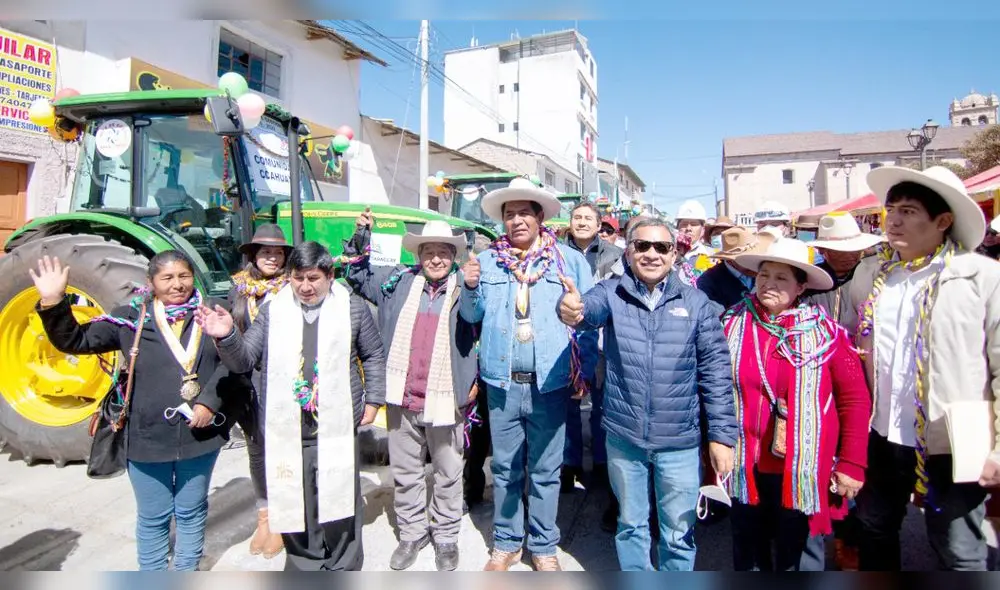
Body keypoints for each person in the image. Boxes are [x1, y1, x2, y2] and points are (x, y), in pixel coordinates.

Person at [32, 251, 244, 571]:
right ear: (151, 283)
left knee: (190, 510)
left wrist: (208, 403)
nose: (177, 285)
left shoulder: (215, 312)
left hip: (201, 435)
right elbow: (76, 340)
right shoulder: (130, 318)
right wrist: (52, 302)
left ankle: (187, 569)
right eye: (167, 278)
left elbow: (232, 366)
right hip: (147, 439)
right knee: (154, 515)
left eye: (183, 276)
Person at [558, 217, 737, 571]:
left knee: (677, 534)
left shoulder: (697, 303)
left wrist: (721, 436)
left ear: (674, 254)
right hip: (625, 440)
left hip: (680, 443)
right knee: (631, 526)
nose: (652, 254)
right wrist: (572, 310)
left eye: (661, 247)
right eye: (643, 246)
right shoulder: (611, 292)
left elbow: (716, 373)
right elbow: (586, 310)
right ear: (629, 252)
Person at [197, 241, 386, 571]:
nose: (305, 287)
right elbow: (245, 359)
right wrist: (227, 336)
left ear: (329, 275)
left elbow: (372, 355)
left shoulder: (352, 308)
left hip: (336, 426)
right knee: (295, 502)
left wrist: (373, 400)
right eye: (298, 278)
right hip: (290, 429)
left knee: (340, 502)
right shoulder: (274, 311)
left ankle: (342, 563)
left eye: (313, 278)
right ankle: (305, 564)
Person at [849, 166, 1000, 571]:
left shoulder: (981, 277)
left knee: (957, 547)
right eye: (891, 209)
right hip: (882, 434)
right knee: (874, 527)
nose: (894, 220)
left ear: (943, 221)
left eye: (909, 210)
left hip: (951, 437)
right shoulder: (875, 276)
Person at [459, 176, 597, 571]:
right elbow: (471, 317)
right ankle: (506, 542)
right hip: (501, 384)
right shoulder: (484, 263)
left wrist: (581, 376)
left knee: (545, 469)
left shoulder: (569, 261)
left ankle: (543, 544)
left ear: (540, 218)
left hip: (550, 384)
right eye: (509, 214)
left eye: (524, 212)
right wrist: (469, 287)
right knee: (504, 468)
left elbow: (586, 321)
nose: (516, 220)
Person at [721, 237, 872, 571]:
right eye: (764, 275)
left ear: (801, 286)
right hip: (745, 461)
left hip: (802, 467)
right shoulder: (731, 324)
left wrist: (852, 463)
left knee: (801, 552)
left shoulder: (827, 335)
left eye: (781, 278)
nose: (768, 284)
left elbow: (855, 401)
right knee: (748, 547)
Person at [343, 213, 479, 571]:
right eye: (428, 251)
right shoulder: (397, 283)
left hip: (447, 398)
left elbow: (480, 327)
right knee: (406, 473)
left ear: (454, 256)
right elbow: (356, 274)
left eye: (444, 252)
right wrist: (361, 234)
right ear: (418, 255)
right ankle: (412, 533)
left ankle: (446, 536)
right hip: (401, 396)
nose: (436, 258)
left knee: (449, 474)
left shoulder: (466, 289)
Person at [229, 223, 293, 560]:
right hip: (248, 382)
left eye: (278, 252)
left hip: (281, 381)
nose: (271, 257)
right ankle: (264, 517)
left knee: (282, 449)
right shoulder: (238, 289)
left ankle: (283, 519)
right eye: (265, 252)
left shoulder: (292, 289)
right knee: (256, 451)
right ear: (254, 255)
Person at [562, 201, 623, 493]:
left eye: (588, 218)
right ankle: (568, 464)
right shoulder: (556, 252)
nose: (582, 222)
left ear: (599, 226)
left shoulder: (615, 256)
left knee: (601, 403)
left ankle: (601, 465)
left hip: (600, 339)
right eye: (577, 217)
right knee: (568, 403)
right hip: (563, 336)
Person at [697, 227, 774, 311]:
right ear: (730, 260)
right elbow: (717, 318)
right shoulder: (708, 281)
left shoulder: (763, 272)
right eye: (748, 259)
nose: (754, 262)